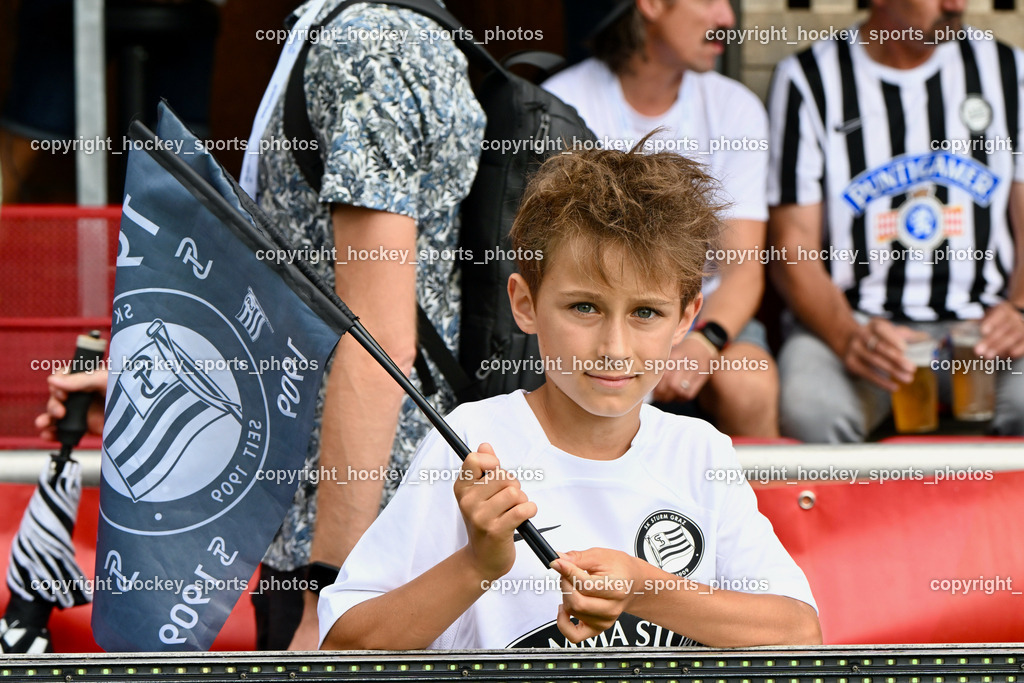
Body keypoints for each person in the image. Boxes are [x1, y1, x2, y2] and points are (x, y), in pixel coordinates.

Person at [317, 142, 821, 649]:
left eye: (646, 312)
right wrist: (476, 565)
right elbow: (343, 647)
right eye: (584, 307)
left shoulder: (699, 452)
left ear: (686, 318)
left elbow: (800, 634)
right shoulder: (473, 443)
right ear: (525, 303)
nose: (614, 349)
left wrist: (645, 589)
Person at [247, 0, 486, 649]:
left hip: (364, 554)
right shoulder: (341, 28)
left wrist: (331, 597)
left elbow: (376, 339)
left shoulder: (371, 46)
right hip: (332, 527)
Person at [766, 0, 1024, 442]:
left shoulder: (1008, 72)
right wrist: (849, 337)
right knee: (810, 408)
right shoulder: (810, 79)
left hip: (982, 329)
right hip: (857, 322)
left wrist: (1019, 310)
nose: (956, 4)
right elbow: (793, 249)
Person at [542, 0, 779, 438]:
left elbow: (743, 268)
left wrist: (701, 341)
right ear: (650, 5)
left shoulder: (735, 107)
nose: (726, 19)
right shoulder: (562, 103)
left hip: (700, 312)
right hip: (597, 310)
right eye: (710, 1)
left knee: (749, 383)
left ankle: (755, 509)